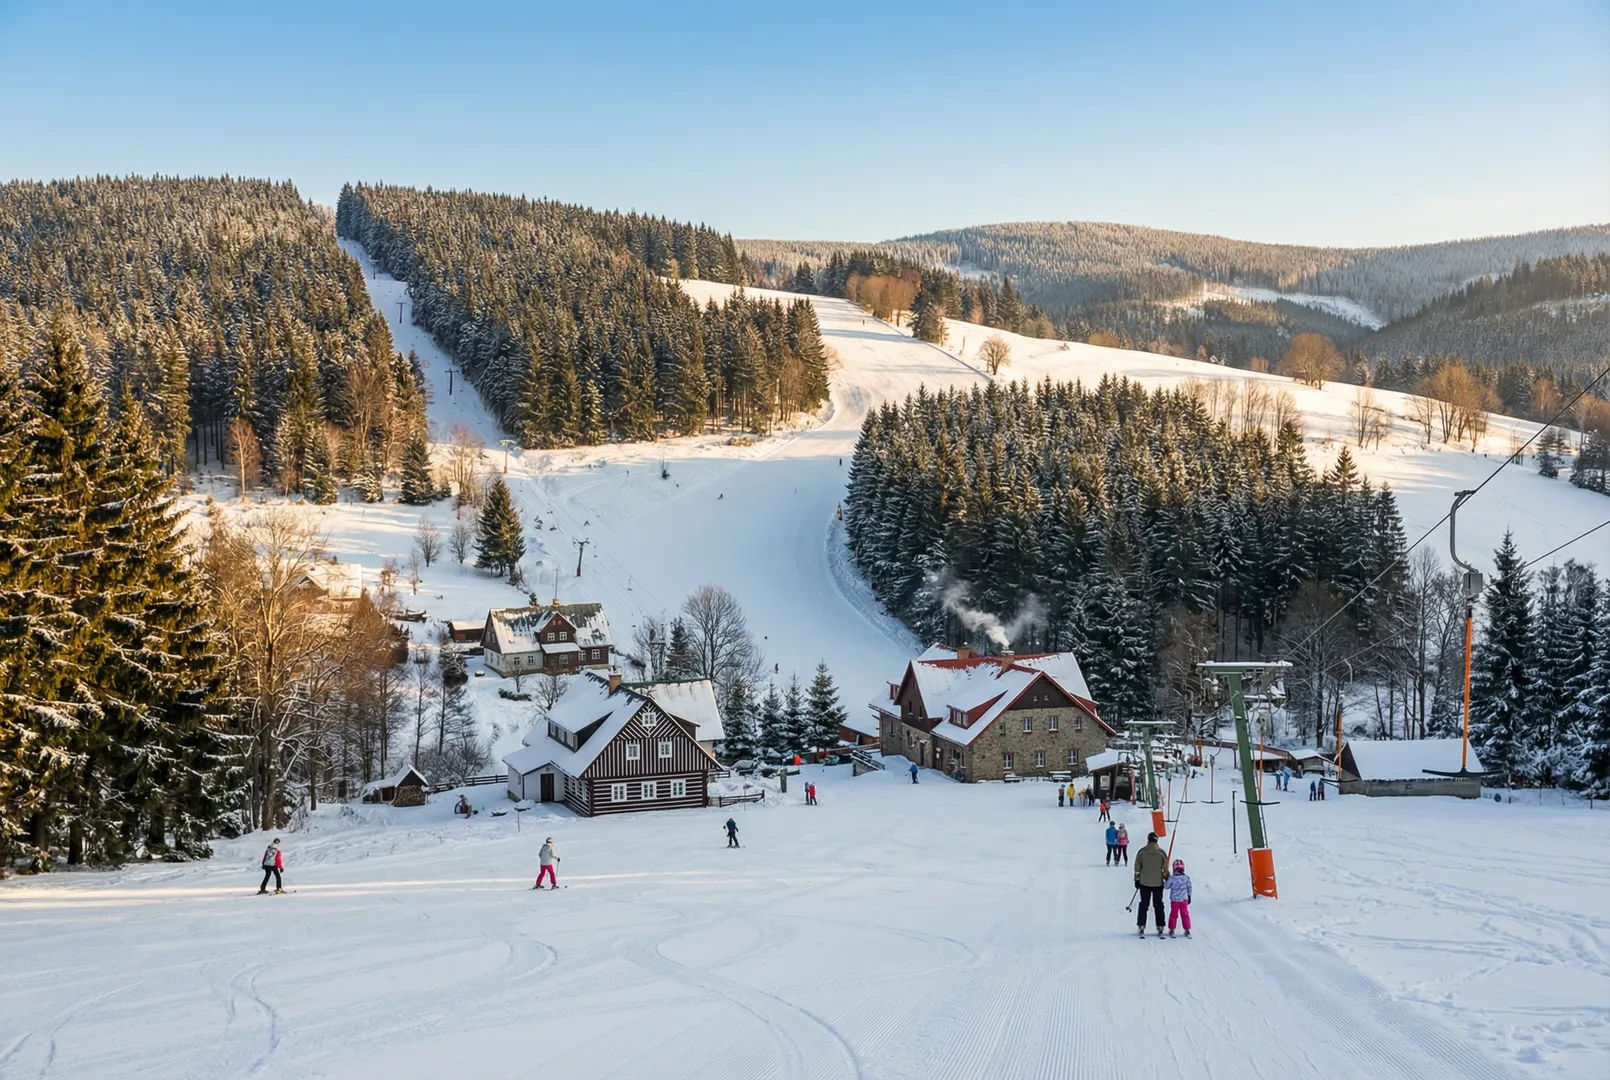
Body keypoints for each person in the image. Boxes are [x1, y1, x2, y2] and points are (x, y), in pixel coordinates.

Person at [1133, 832, 1170, 937]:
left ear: (1148, 840)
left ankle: (1141, 925)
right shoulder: (1161, 853)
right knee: (1158, 904)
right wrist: (1167, 877)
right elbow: (1165, 869)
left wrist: (1137, 879)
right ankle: (1160, 925)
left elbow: (1137, 868)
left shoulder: (1142, 852)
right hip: (1158, 883)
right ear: (1157, 840)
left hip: (1144, 883)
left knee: (1144, 904)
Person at [1167, 858, 1193, 937]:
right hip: (1183, 900)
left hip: (1174, 900)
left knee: (1173, 915)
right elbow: (1189, 887)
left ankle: (1172, 929)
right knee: (1185, 914)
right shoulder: (1186, 878)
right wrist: (1189, 896)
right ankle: (1187, 930)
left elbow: (1166, 886)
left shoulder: (1172, 878)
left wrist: (1166, 878)